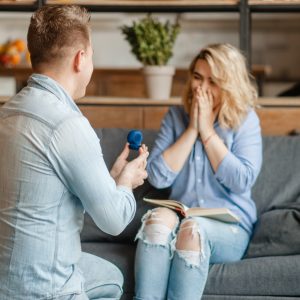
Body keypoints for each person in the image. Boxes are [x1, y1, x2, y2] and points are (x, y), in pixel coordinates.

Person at [0, 5, 148, 300]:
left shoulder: (8, 113)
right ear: (81, 59)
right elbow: (114, 221)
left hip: (5, 280)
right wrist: (126, 183)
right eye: (92, 55)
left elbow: (47, 199)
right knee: (114, 282)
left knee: (107, 273)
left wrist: (110, 180)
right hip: (45, 289)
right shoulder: (69, 125)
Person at [134, 43, 263, 299]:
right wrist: (192, 129)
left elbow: (242, 181)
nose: (200, 88)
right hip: (182, 216)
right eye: (197, 77)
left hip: (230, 226)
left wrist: (207, 132)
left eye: (212, 82)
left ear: (228, 86)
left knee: (193, 230)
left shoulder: (245, 120)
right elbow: (158, 177)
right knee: (157, 223)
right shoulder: (175, 117)